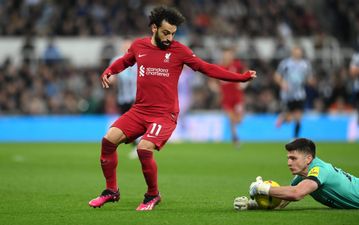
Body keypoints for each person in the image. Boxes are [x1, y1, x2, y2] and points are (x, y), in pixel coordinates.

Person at [88, 6, 256, 211]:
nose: (169, 38)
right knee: (108, 140)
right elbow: (125, 61)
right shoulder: (139, 46)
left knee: (144, 149)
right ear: (154, 28)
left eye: (173, 34)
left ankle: (152, 195)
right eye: (165, 33)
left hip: (164, 115)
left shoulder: (179, 51)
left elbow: (207, 68)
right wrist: (110, 70)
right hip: (139, 110)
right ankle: (111, 191)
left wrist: (240, 77)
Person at [234, 138, 359, 210]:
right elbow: (282, 202)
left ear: (308, 159)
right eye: (288, 158)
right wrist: (253, 204)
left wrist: (261, 188)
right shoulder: (301, 177)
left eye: (293, 158)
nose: (289, 163)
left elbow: (296, 193)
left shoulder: (320, 170)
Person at [274, 46, 314, 139]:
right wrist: (282, 83)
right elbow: (277, 76)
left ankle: (295, 138)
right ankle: (283, 117)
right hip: (287, 95)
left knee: (298, 118)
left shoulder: (305, 64)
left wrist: (311, 82)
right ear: (292, 52)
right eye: (296, 51)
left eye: (299, 51)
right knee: (289, 119)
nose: (298, 53)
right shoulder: (285, 63)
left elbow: (309, 78)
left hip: (299, 94)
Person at [218, 47, 247, 147]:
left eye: (229, 55)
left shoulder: (237, 65)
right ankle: (235, 137)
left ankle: (235, 134)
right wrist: (216, 88)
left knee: (239, 120)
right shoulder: (220, 67)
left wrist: (244, 84)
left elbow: (246, 71)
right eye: (225, 55)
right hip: (226, 99)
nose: (227, 57)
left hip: (237, 97)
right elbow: (212, 80)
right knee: (231, 118)